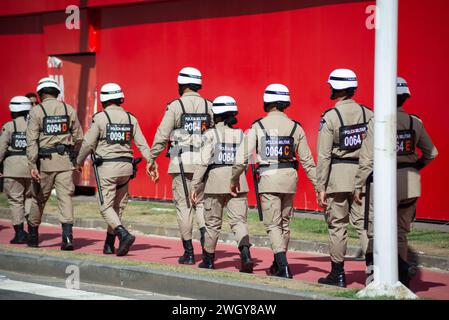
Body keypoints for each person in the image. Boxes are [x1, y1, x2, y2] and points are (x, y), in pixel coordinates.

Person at [354, 77, 438, 287]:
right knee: (400, 232)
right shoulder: (415, 122)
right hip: (410, 182)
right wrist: (415, 166)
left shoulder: (378, 121)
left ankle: (375, 278)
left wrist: (359, 186)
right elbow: (432, 153)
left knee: (373, 231)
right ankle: (402, 278)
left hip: (384, 182)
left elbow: (366, 158)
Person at [231, 84, 317, 278]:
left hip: (268, 180)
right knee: (285, 224)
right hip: (290, 180)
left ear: (266, 102)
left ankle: (283, 266)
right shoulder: (296, 127)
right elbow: (308, 163)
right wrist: (319, 187)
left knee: (273, 225)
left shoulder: (257, 126)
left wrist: (234, 179)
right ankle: (278, 264)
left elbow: (241, 158)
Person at [76, 83, 155, 256]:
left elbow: (88, 143)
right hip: (126, 169)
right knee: (117, 207)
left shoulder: (100, 118)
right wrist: (150, 161)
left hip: (107, 168)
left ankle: (123, 234)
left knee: (105, 207)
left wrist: (79, 161)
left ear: (103, 100)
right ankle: (109, 244)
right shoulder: (130, 118)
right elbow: (142, 143)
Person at [147, 67, 214, 264]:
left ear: (181, 85)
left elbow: (162, 134)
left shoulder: (175, 106)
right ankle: (205, 237)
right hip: (203, 163)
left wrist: (152, 158)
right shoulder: (209, 106)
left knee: (185, 207)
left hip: (181, 163)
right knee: (201, 203)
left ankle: (189, 253)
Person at [316, 69, 374, 287]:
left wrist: (320, 186)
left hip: (337, 177)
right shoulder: (369, 114)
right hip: (364, 176)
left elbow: (323, 155)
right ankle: (373, 275)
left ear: (335, 88)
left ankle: (338, 275)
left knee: (337, 226)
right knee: (364, 226)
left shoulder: (330, 117)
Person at [190, 96, 253, 272]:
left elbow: (202, 163)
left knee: (213, 224)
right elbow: (245, 162)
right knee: (239, 222)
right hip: (238, 182)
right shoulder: (242, 134)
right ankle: (246, 255)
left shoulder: (209, 135)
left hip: (215, 183)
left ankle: (208, 260)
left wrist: (195, 186)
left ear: (216, 114)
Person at [26, 77, 84, 250]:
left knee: (38, 199)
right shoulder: (68, 109)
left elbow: (31, 142)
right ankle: (67, 238)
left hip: (45, 163)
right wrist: (74, 157)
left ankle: (33, 236)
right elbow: (79, 137)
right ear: (57, 93)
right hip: (65, 162)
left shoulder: (36, 112)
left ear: (41, 93)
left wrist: (32, 165)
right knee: (65, 198)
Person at [0, 96, 32, 243]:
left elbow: (1, 148)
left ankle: (19, 233)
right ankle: (32, 231)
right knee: (30, 199)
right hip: (32, 168)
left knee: (16, 201)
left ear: (12, 111)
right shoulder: (34, 125)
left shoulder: (8, 126)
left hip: (12, 169)